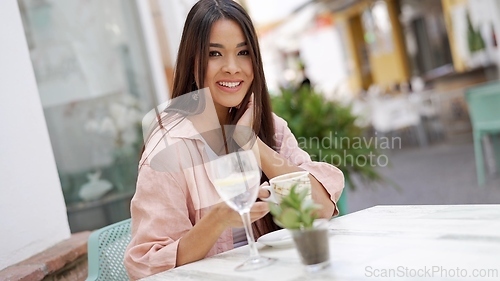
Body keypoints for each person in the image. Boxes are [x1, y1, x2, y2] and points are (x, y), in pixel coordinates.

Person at [124, 0, 344, 279]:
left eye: (243, 52)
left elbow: (321, 208)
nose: (232, 67)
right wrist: (217, 219)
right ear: (193, 61)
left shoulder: (267, 127)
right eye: (215, 53)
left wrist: (249, 142)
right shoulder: (170, 148)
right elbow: (145, 265)